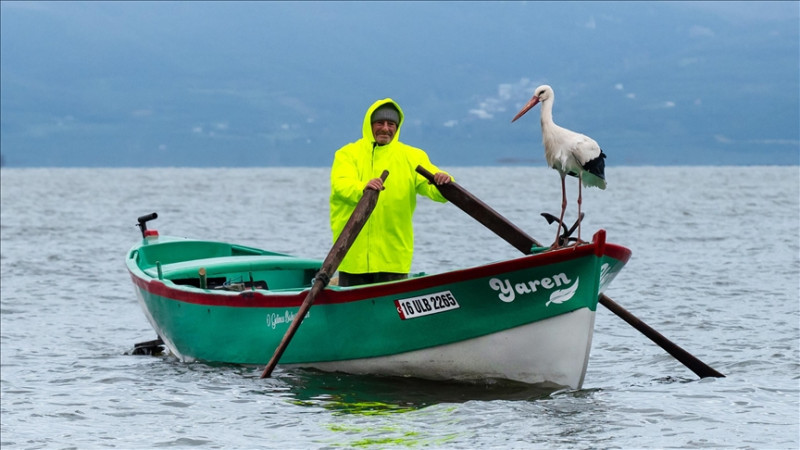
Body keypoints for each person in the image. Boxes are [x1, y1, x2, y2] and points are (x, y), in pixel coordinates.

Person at [330, 98, 452, 287]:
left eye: (391, 124)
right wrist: (363, 188)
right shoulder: (347, 154)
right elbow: (341, 186)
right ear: (369, 125)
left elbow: (433, 189)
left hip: (393, 256)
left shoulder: (413, 156)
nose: (385, 128)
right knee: (354, 308)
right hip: (352, 253)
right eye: (380, 123)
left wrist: (444, 183)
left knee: (391, 308)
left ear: (397, 127)